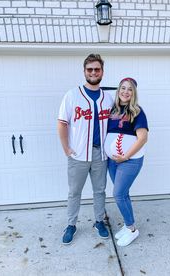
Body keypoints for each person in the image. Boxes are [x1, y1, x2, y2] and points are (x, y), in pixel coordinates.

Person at [58, 54, 113, 245]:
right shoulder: (72, 95)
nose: (93, 72)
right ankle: (71, 225)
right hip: (78, 154)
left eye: (97, 69)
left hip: (101, 154)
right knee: (75, 192)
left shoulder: (108, 98)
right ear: (84, 72)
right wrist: (66, 148)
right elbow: (62, 123)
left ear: (102, 72)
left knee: (100, 191)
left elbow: (116, 125)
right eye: (90, 69)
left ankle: (99, 221)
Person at [104, 77, 148, 247]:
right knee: (124, 194)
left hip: (129, 160)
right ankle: (128, 224)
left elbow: (143, 138)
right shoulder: (113, 111)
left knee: (118, 194)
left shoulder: (137, 111)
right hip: (113, 161)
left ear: (134, 93)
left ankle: (131, 229)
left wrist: (126, 156)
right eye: (123, 88)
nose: (125, 92)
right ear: (118, 90)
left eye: (130, 89)